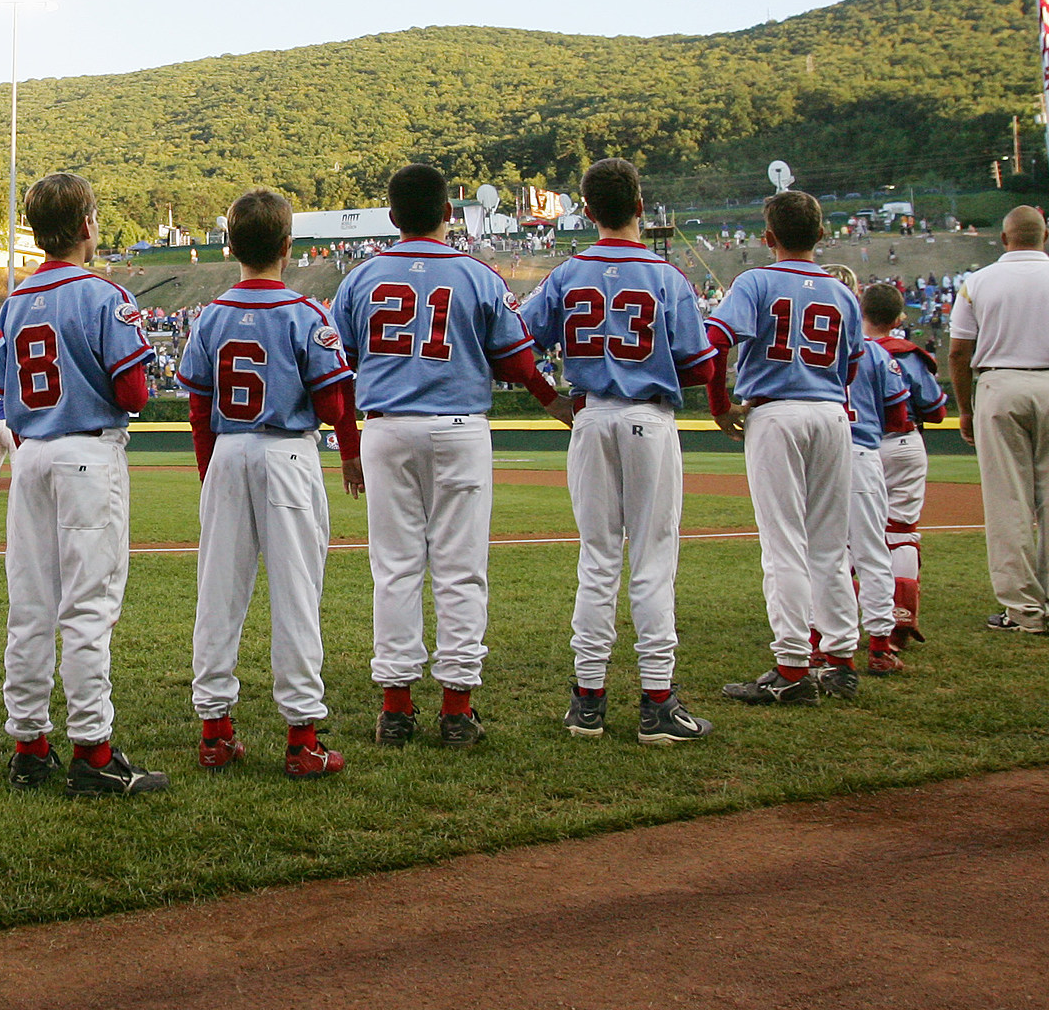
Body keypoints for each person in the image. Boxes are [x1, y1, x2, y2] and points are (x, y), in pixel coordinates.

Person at [335, 163, 566, 749]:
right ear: (447, 214)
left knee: (395, 569)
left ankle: (396, 708)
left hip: (386, 427)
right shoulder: (477, 275)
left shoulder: (360, 278)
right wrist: (549, 398)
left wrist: (347, 442)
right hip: (460, 427)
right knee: (461, 570)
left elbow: (338, 368)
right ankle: (457, 708)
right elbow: (514, 359)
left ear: (391, 217)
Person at [517, 158, 716, 744]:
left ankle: (588, 701)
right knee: (652, 560)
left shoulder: (567, 273)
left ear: (586, 209)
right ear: (639, 205)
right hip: (647, 417)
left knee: (597, 559)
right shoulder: (665, 276)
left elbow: (520, 343)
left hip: (589, 414)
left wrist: (550, 398)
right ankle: (657, 701)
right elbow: (700, 365)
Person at [178, 187, 361, 777]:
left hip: (229, 453)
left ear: (229, 245)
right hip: (287, 455)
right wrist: (350, 450)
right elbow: (335, 400)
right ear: (289, 246)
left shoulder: (209, 316)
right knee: (297, 596)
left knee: (219, 596)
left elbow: (198, 410)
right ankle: (302, 738)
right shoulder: (307, 314)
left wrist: (213, 476)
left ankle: (215, 731)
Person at [0, 172, 167, 796]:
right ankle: (92, 752)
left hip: (31, 453)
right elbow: (134, 393)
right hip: (87, 456)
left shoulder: (13, 302)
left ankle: (29, 746)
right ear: (88, 223)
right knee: (88, 607)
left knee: (32, 602)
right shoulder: (103, 294)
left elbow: (1, 393)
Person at [704, 190, 866, 705]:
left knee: (783, 545)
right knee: (829, 544)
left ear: (767, 237)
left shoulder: (756, 280)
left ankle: (792, 668)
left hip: (774, 411)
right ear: (821, 235)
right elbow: (854, 366)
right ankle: (839, 661)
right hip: (830, 412)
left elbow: (716, 340)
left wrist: (719, 405)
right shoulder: (843, 293)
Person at [945, 206, 1049, 636]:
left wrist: (964, 409)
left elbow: (959, 354)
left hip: (999, 384)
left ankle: (1021, 609)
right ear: (1044, 238)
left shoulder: (977, 283)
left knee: (1008, 503)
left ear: (1004, 239)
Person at [825, 266, 910, 675]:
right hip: (860, 451)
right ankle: (880, 644)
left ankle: (819, 642)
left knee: (822, 554)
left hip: (821, 453)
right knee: (872, 552)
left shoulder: (807, 346)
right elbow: (897, 417)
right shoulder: (877, 353)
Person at [861, 284, 946, 644]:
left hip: (861, 444)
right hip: (905, 442)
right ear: (899, 318)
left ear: (861, 312)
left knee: (853, 536)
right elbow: (936, 411)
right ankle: (901, 619)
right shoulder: (909, 355)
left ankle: (845, 619)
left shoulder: (851, 351)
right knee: (902, 532)